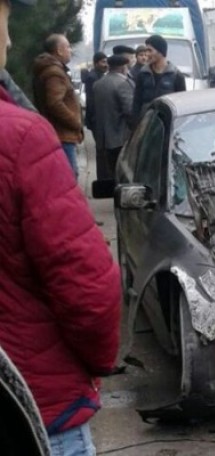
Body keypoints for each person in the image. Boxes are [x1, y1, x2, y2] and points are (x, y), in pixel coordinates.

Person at [0, 1, 122, 455]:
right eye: (5, 24)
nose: (10, 41)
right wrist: (94, 365)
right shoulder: (22, 138)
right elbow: (87, 285)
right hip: (31, 408)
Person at [32, 33, 83, 177]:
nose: (70, 51)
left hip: (59, 134)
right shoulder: (54, 73)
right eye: (67, 47)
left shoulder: (53, 70)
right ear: (59, 50)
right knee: (69, 176)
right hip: (62, 135)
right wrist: (75, 122)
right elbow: (54, 103)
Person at [93, 54, 135, 176]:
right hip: (120, 138)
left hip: (103, 137)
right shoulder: (123, 83)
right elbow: (130, 111)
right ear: (123, 68)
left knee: (109, 171)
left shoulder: (98, 84)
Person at [133, 34, 186, 121]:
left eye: (150, 50)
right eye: (146, 51)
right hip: (146, 126)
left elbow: (182, 105)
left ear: (161, 52)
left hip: (167, 125)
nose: (147, 54)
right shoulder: (143, 74)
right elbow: (136, 103)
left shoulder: (176, 75)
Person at [84, 52, 107, 133]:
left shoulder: (101, 75)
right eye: (103, 62)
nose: (106, 65)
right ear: (96, 63)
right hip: (96, 118)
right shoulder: (92, 77)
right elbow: (91, 100)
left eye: (106, 62)